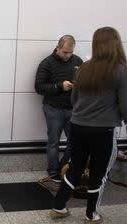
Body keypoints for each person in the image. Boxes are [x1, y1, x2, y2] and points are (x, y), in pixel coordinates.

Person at [49, 27, 127, 224]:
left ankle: (59, 207)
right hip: (103, 130)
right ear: (116, 43)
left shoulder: (83, 68)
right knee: (99, 173)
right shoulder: (120, 70)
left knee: (74, 168)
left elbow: (74, 98)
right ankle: (91, 215)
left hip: (78, 125)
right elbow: (126, 104)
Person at [35, 35, 83, 182]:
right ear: (57, 47)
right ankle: (53, 171)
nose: (68, 55)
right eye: (64, 52)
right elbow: (38, 87)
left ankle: (64, 167)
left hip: (74, 108)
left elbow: (85, 81)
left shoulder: (78, 61)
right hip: (53, 108)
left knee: (74, 141)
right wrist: (59, 86)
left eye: (70, 52)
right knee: (53, 141)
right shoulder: (47, 63)